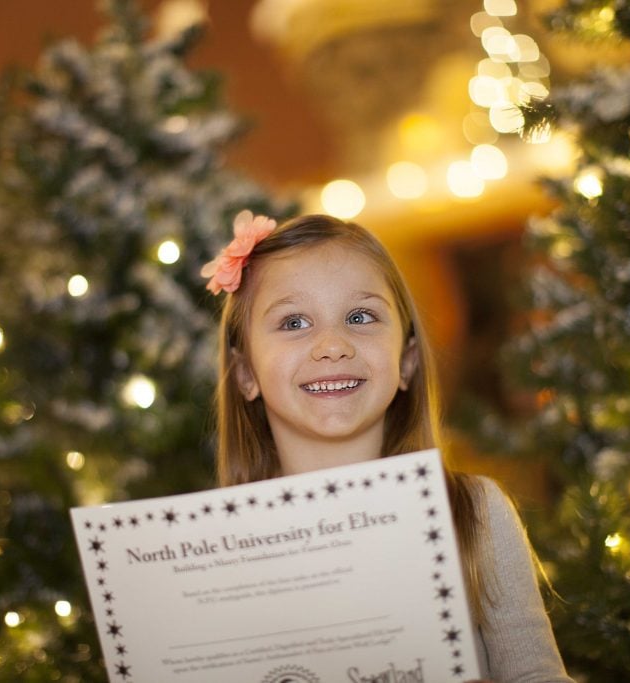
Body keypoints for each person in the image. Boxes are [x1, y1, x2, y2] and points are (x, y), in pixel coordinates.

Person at [201, 211, 574, 683]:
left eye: (361, 317)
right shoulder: (213, 554)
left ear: (407, 360)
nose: (332, 345)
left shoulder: (474, 513)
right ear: (246, 373)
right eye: (294, 322)